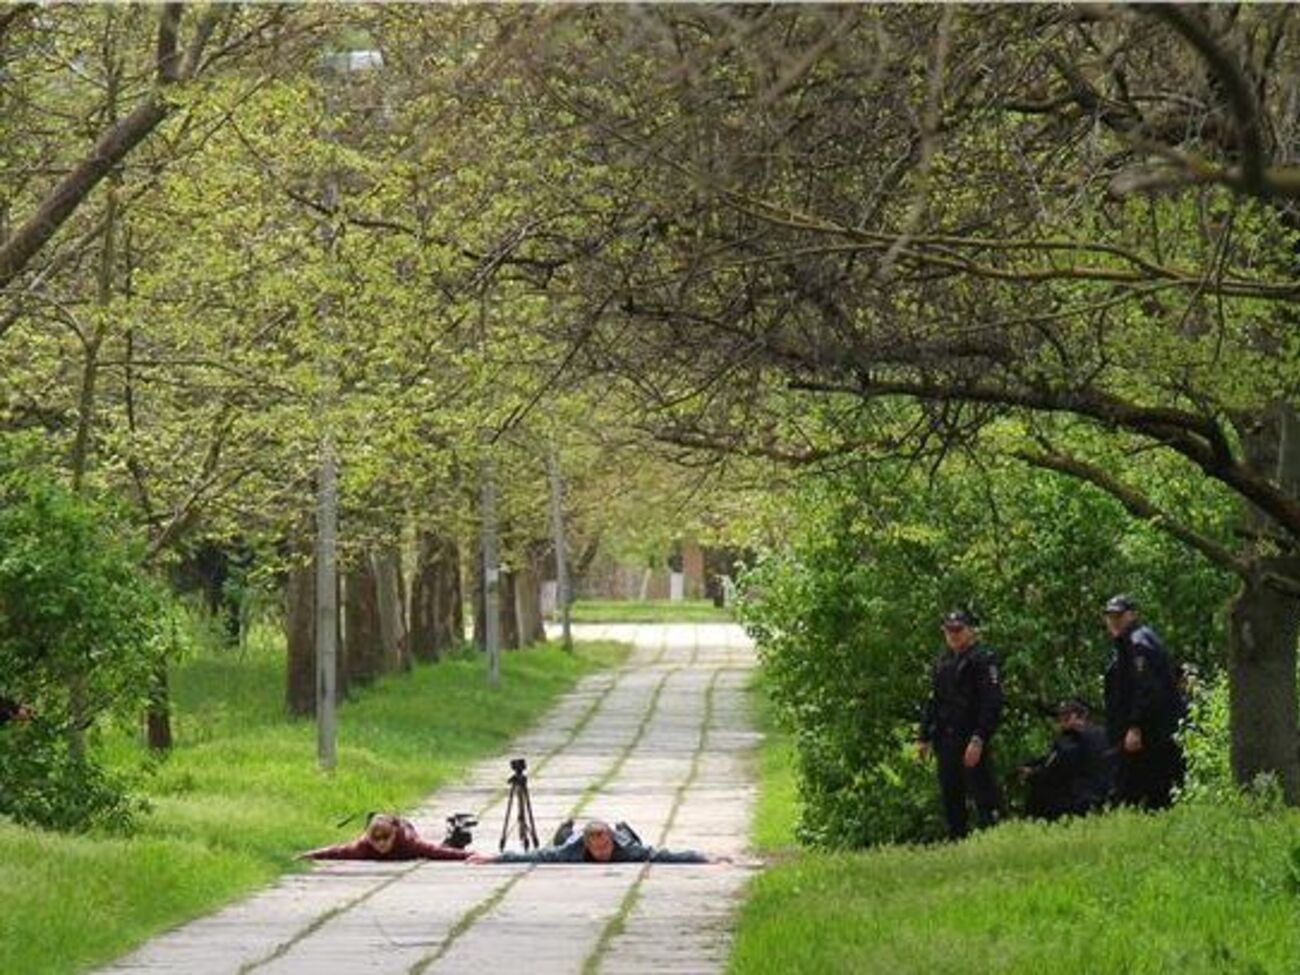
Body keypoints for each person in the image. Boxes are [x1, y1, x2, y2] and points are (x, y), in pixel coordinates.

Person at [917, 609, 1004, 840]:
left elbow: (991, 703)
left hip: (971, 736)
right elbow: (934, 701)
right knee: (951, 796)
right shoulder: (943, 662)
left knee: (983, 794)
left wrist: (979, 737)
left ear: (969, 630)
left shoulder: (983, 659)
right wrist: (924, 736)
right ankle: (957, 842)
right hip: (946, 738)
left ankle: (993, 839)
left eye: (958, 630)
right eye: (949, 630)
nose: (953, 635)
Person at [1101, 594, 1184, 810]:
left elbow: (1146, 688)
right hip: (1142, 734)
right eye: (1110, 616)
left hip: (1150, 734)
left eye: (1119, 616)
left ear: (1132, 615)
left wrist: (1135, 726)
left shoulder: (1138, 643)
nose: (1114, 621)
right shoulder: (1126, 645)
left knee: (1142, 791)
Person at [467, 818, 720, 864]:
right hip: (573, 839)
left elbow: (665, 855)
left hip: (621, 834)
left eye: (605, 847)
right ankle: (567, 827)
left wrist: (705, 858)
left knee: (632, 837)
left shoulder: (627, 850)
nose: (602, 854)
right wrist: (495, 858)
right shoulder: (572, 850)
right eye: (596, 849)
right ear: (588, 846)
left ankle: (620, 826)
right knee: (560, 840)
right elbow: (536, 856)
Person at [1017, 699, 1112, 820]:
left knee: (1040, 789)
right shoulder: (1105, 733)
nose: (1060, 723)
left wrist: (1032, 774)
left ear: (1077, 716)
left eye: (1064, 717)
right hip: (1105, 796)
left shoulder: (1071, 738)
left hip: (1077, 801)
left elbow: (1055, 767)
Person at [299, 813, 471, 861]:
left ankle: (454, 833)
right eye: (376, 839)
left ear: (394, 834)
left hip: (403, 825)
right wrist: (310, 854)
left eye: (385, 838)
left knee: (444, 848)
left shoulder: (409, 843)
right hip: (381, 821)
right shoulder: (363, 847)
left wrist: (470, 855)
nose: (381, 844)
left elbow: (435, 851)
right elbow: (337, 851)